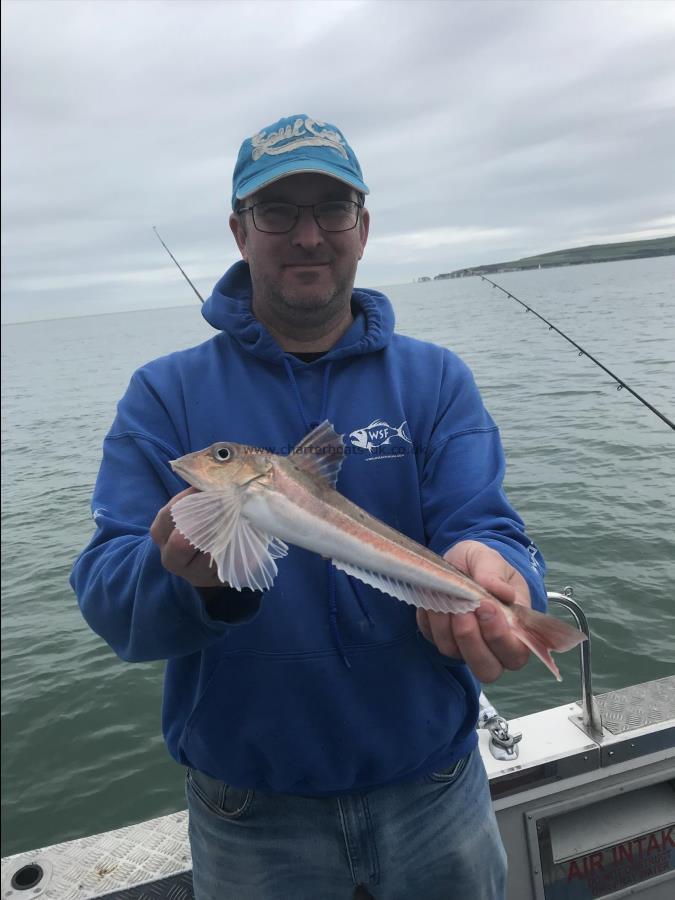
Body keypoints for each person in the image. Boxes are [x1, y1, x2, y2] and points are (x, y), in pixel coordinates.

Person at [71, 114, 547, 900]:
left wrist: (505, 576)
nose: (307, 235)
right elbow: (108, 599)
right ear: (239, 230)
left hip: (434, 789)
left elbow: (486, 524)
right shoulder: (163, 394)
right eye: (276, 212)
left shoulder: (434, 380)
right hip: (250, 816)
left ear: (362, 227)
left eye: (330, 209)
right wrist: (188, 581)